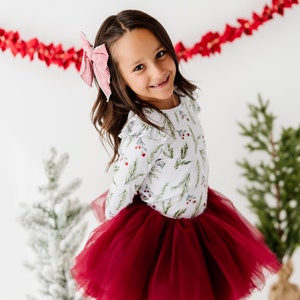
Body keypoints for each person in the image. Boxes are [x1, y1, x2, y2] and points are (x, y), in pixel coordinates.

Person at [72, 9, 281, 300]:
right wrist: (126, 247)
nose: (158, 72)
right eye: (138, 68)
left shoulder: (185, 101)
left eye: (159, 54)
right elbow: (118, 196)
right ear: (119, 81)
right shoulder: (144, 133)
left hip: (202, 224)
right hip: (164, 245)